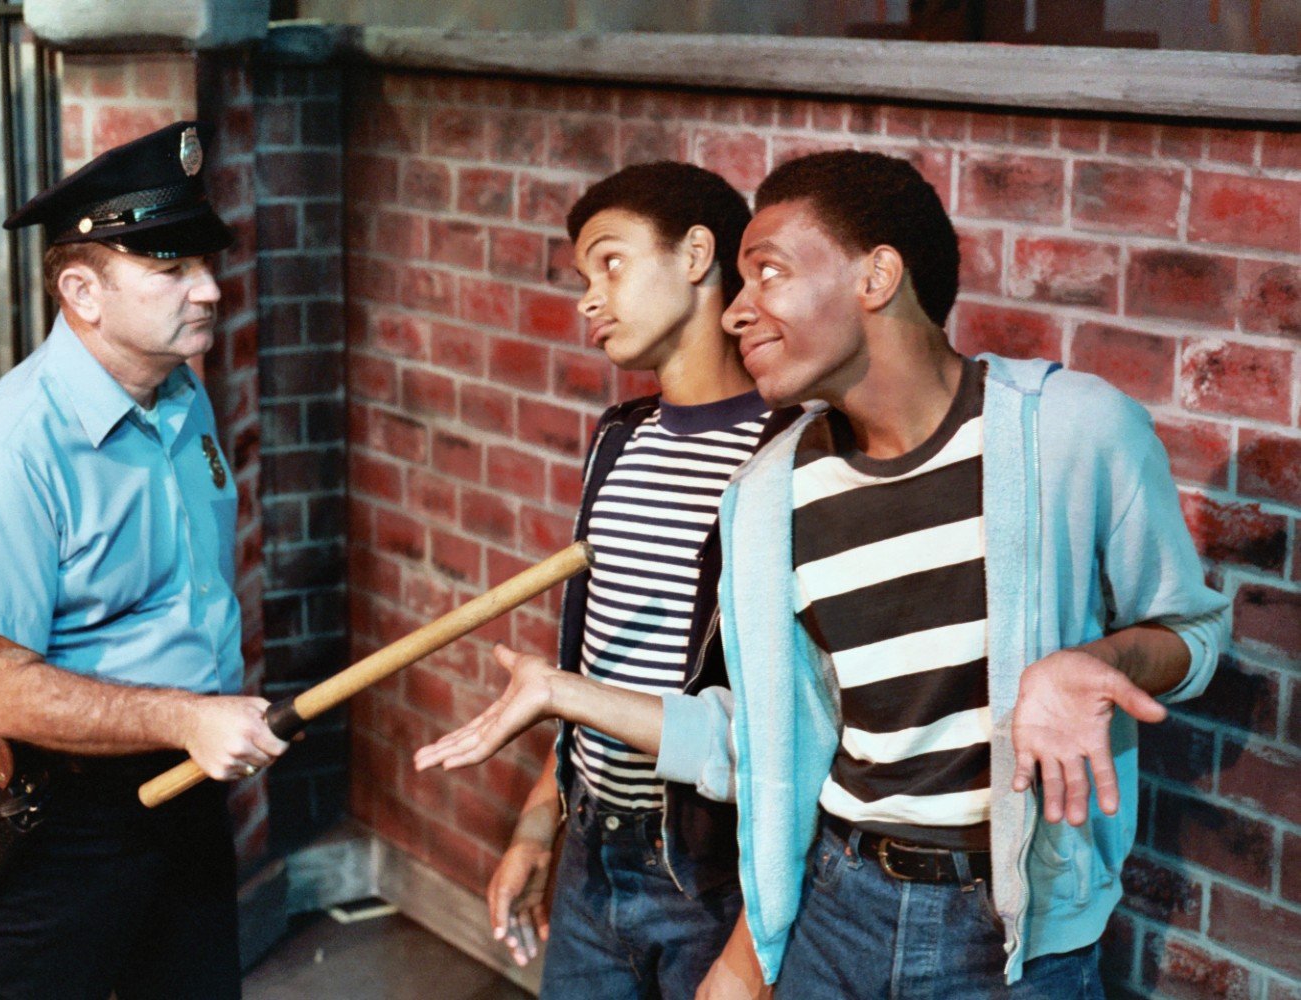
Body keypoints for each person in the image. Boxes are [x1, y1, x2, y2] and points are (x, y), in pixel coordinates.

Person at [421, 150, 1229, 1000]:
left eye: (767, 273)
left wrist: (1099, 665)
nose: (737, 312)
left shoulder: (1071, 431)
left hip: (1012, 940)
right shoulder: (770, 495)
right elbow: (768, 742)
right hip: (837, 916)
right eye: (737, 284)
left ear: (877, 275)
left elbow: (1196, 631)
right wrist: (747, 949)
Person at [0, 121, 291, 1000]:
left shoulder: (180, 393)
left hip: (184, 793)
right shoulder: (7, 455)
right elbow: (5, 690)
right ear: (82, 291)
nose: (207, 290)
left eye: (205, 263)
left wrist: (196, 730)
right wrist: (187, 718)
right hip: (58, 823)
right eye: (170, 270)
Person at [417, 160, 767, 998]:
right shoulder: (618, 440)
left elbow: (786, 725)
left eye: (611, 263)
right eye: (583, 277)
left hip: (708, 873)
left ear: (694, 256)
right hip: (590, 855)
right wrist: (539, 825)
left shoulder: (782, 455)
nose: (587, 297)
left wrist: (752, 951)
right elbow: (586, 672)